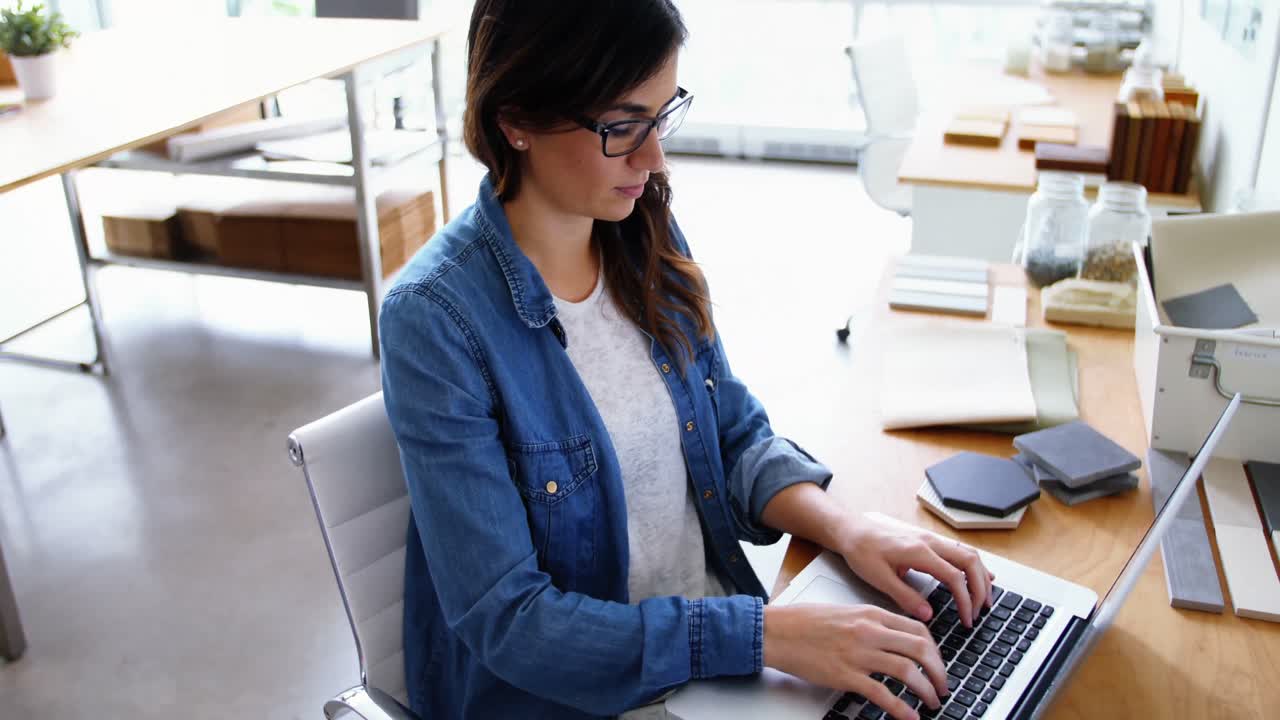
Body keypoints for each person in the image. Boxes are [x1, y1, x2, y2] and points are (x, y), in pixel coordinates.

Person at [378, 2, 994, 718]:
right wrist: (763, 634)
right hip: (580, 698)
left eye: (662, 116)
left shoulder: (639, 225)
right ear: (516, 120)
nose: (654, 159)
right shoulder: (435, 321)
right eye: (621, 127)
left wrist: (846, 528)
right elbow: (513, 625)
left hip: (714, 664)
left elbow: (729, 433)